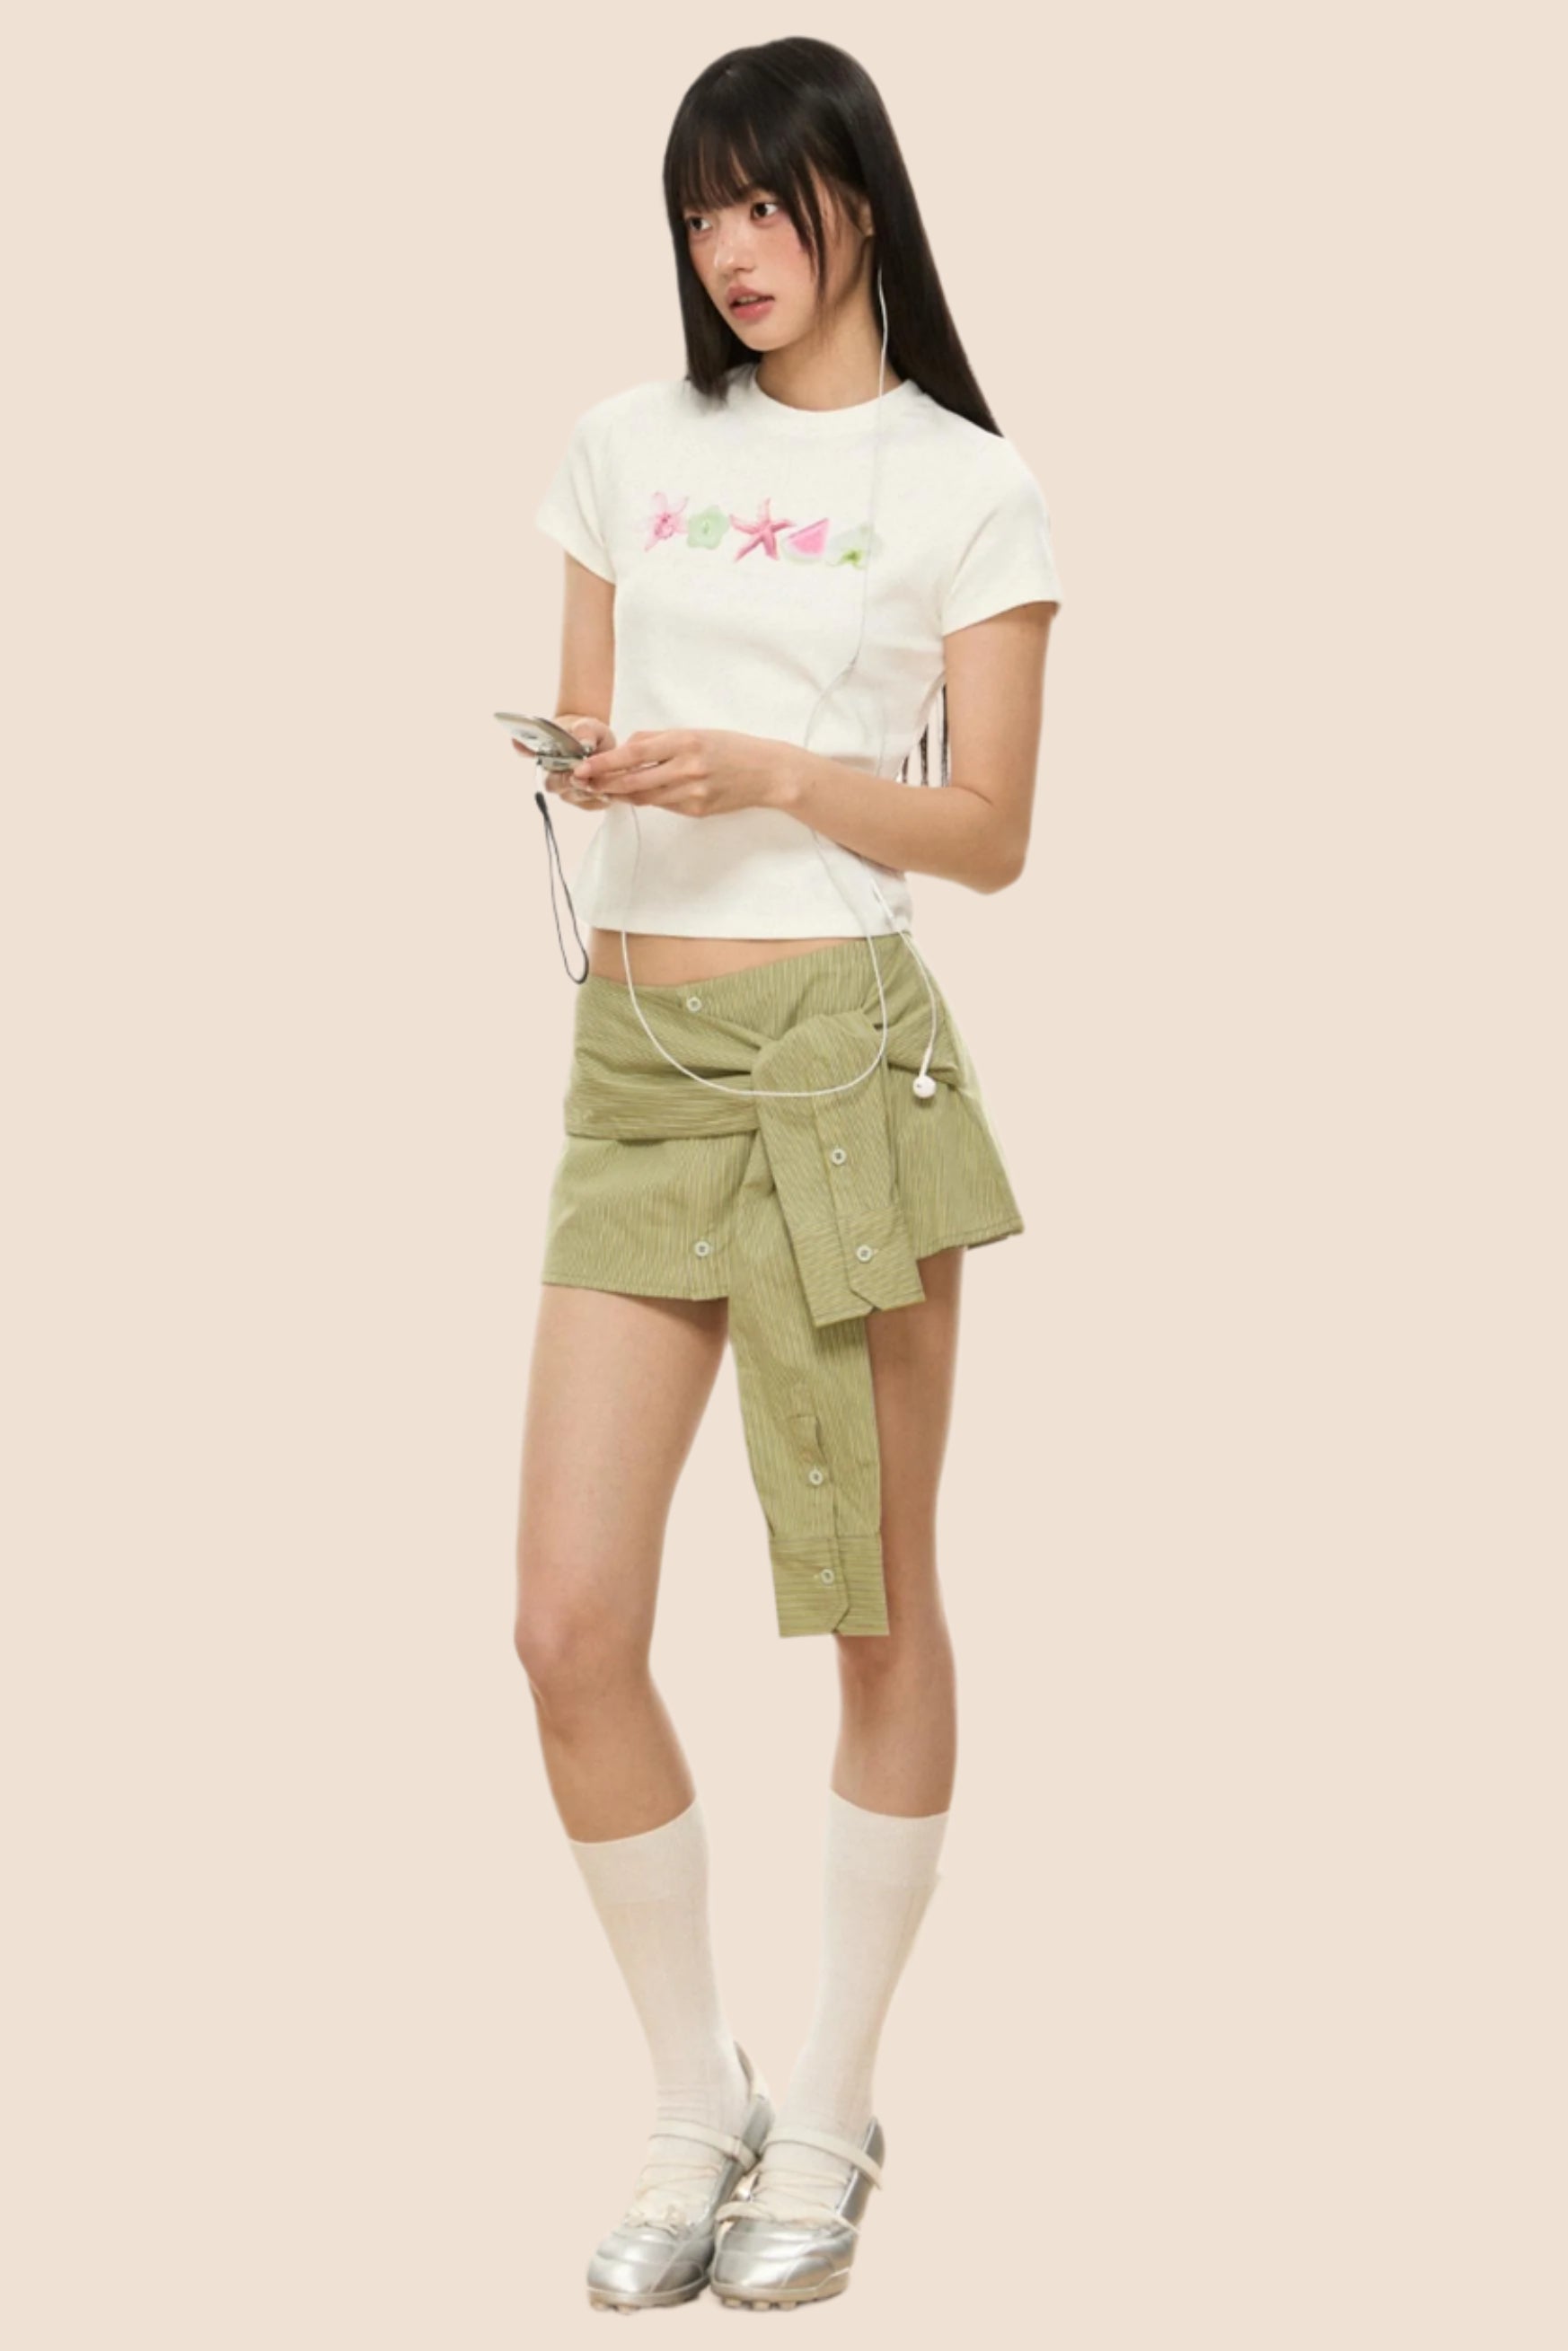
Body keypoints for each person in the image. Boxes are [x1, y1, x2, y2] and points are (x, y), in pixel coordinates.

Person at [511, 35, 1062, 2313]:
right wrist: (597, 764)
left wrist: (774, 772)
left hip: (847, 1065)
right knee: (567, 1621)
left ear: (857, 201)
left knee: (871, 1602)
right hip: (641, 1061)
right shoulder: (623, 446)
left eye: (766, 201)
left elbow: (992, 833)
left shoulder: (966, 485)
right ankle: (694, 2096)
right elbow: (592, 731)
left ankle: (830, 2099)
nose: (730, 249)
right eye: (699, 212)